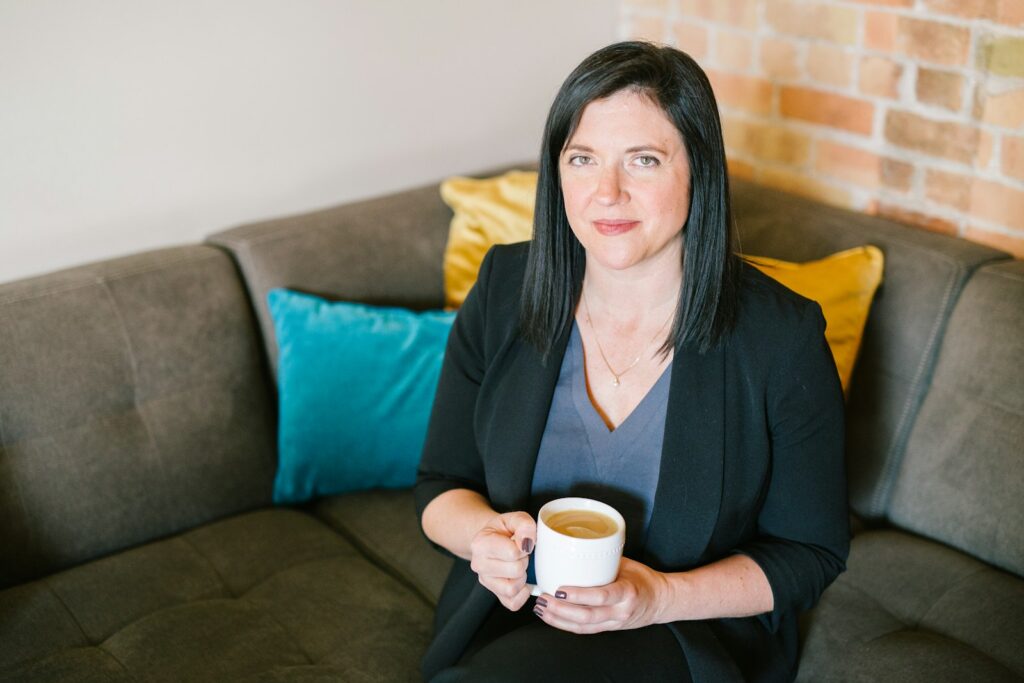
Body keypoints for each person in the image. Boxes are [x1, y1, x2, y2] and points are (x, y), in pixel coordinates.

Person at [415, 41, 848, 683]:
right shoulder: (506, 287)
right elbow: (438, 484)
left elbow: (809, 554)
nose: (606, 193)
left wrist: (656, 598)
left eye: (643, 160)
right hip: (507, 614)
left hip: (683, 632)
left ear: (698, 168)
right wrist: (483, 539)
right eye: (583, 159)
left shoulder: (780, 336)